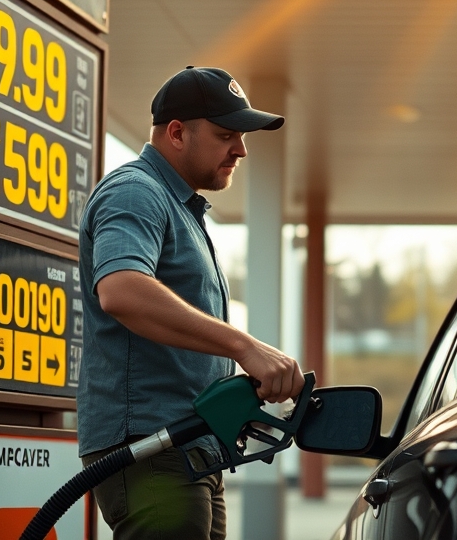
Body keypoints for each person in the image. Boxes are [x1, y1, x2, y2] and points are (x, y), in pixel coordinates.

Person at [77, 66, 305, 540]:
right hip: (149, 449)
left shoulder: (178, 206)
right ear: (177, 133)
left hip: (187, 449)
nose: (240, 149)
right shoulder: (136, 192)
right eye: (226, 135)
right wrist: (243, 346)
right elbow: (121, 288)